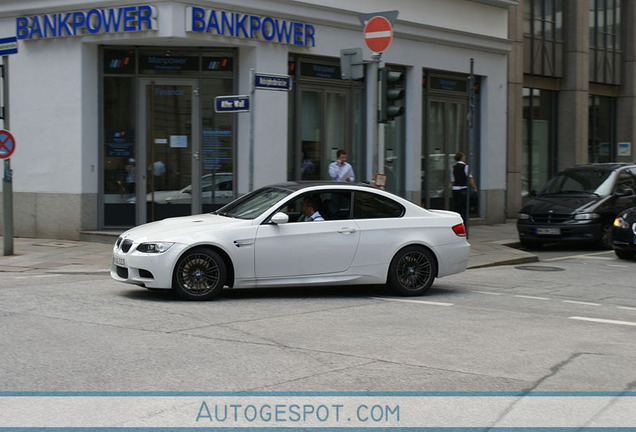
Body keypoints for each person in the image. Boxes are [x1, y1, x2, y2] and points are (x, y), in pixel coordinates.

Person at [451, 151, 477, 222]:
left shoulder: (453, 167)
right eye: (464, 157)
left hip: (455, 190)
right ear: (462, 158)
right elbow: (470, 179)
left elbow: (452, 180)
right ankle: (463, 223)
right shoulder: (466, 167)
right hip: (463, 189)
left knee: (457, 208)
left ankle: (456, 222)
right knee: (464, 208)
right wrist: (475, 188)